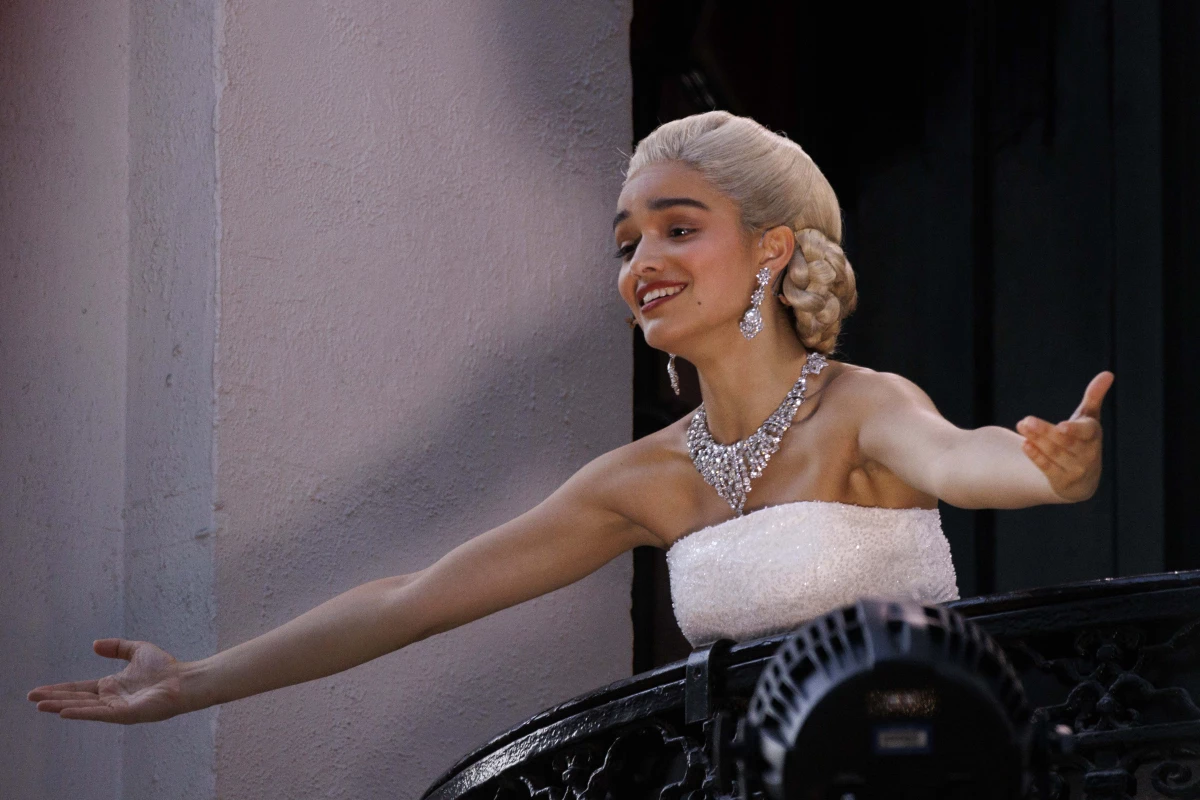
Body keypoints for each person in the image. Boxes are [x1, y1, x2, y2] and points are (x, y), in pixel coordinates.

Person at [28, 110, 1111, 725]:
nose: (643, 264)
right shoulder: (644, 478)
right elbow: (414, 598)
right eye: (627, 242)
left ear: (772, 248)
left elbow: (963, 458)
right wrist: (194, 681)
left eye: (678, 229)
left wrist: (1047, 471)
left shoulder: (861, 407)